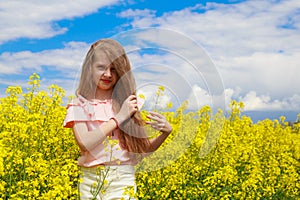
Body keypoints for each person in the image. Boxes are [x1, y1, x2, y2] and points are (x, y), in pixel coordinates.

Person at [63, 38, 172, 199]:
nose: (107, 74)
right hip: (90, 180)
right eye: (101, 67)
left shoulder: (128, 104)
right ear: (89, 69)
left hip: (122, 179)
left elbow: (143, 148)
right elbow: (85, 143)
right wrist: (118, 118)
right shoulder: (78, 105)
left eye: (114, 69)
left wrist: (165, 133)